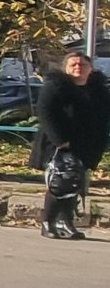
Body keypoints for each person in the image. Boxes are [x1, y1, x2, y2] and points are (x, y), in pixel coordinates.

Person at [31, 49, 110, 239]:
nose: (78, 67)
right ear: (65, 67)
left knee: (75, 184)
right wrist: (61, 141)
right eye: (73, 64)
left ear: (90, 68)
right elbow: (45, 113)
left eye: (83, 64)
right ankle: (48, 223)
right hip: (59, 144)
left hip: (87, 144)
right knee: (60, 182)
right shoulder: (56, 86)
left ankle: (66, 223)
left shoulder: (98, 88)